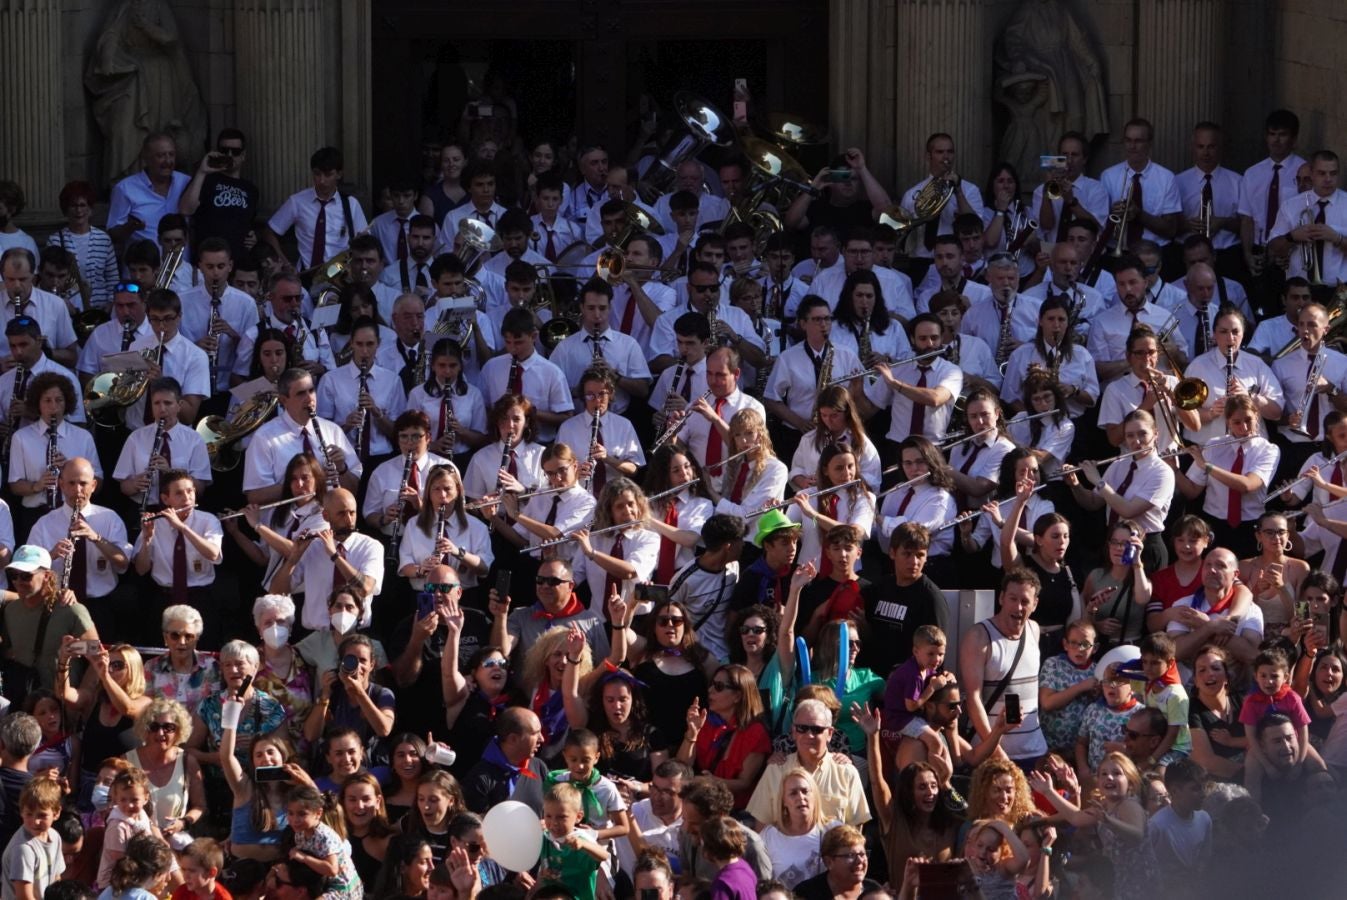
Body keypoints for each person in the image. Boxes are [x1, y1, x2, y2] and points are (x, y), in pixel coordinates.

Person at [1031, 752, 1158, 898]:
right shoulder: (1105, 805)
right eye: (1103, 774)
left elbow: (1136, 835)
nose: (1109, 777)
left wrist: (1109, 821)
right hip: (1117, 879)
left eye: (1117, 773)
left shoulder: (1129, 804)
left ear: (1130, 781)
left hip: (1138, 881)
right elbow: (1076, 817)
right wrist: (1049, 792)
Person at [959, 568, 1047, 763]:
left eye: (1025, 601)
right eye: (1013, 599)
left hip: (1034, 751)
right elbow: (973, 699)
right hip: (995, 756)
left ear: (1035, 604)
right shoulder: (979, 636)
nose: (1018, 607)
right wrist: (997, 753)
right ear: (1001, 599)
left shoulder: (1034, 630)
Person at [747, 698, 869, 831]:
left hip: (832, 850)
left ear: (830, 734)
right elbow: (761, 827)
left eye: (817, 729)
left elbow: (855, 829)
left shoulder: (846, 773)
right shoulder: (775, 770)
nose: (809, 735)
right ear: (793, 732)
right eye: (802, 728)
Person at [676, 664, 770, 811]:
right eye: (712, 684)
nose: (710, 690)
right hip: (702, 804)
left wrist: (714, 782)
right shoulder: (706, 722)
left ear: (738, 696)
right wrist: (692, 733)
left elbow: (745, 783)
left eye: (719, 687)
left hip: (735, 811)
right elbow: (681, 767)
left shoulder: (755, 732)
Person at [124, 700, 204, 852]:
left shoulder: (188, 761)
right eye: (154, 727)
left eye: (168, 727)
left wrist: (183, 822)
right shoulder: (127, 762)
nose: (160, 733)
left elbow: (199, 806)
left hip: (174, 847)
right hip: (136, 846)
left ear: (178, 731)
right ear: (145, 729)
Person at [284, 785, 362, 900]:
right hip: (323, 885)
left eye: (302, 814)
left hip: (343, 887)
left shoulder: (325, 837)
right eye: (291, 813)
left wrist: (304, 857)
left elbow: (332, 870)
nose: (295, 820)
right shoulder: (300, 834)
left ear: (318, 813)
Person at [535, 783, 605, 900]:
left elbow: (604, 855)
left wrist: (584, 845)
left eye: (561, 817)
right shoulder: (546, 836)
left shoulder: (581, 838)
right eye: (548, 816)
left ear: (578, 816)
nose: (554, 823)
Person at [2, 778, 66, 900]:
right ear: (21, 812)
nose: (35, 821)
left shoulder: (54, 836)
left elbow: (56, 877)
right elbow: (24, 897)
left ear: (56, 813)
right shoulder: (23, 849)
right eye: (29, 814)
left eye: (42, 815)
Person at [790, 824, 880, 900]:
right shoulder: (806, 893)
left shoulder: (874, 890)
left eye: (862, 854)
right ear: (829, 862)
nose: (860, 860)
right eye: (850, 855)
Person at [98, 832, 176, 900]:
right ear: (157, 874)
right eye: (166, 872)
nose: (169, 878)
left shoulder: (109, 891)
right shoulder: (146, 898)